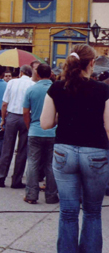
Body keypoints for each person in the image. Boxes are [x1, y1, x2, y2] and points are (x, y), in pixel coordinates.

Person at [41, 44, 109, 253]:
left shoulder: (56, 88)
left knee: (68, 212)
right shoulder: (103, 89)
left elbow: (45, 124)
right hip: (95, 153)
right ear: (91, 63)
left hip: (64, 152)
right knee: (92, 211)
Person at [22, 63, 58, 205]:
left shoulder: (31, 90)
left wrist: (29, 126)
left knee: (33, 163)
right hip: (52, 132)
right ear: (50, 74)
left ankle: (31, 194)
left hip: (35, 130)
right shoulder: (57, 89)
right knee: (51, 164)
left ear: (37, 74)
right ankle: (51, 195)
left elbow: (25, 112)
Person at [0, 65, 34, 188]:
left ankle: (1, 177)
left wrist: (3, 119)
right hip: (26, 117)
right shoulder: (32, 84)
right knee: (22, 150)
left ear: (21, 73)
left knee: (7, 147)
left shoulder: (12, 82)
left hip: (12, 116)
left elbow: (4, 104)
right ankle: (16, 180)